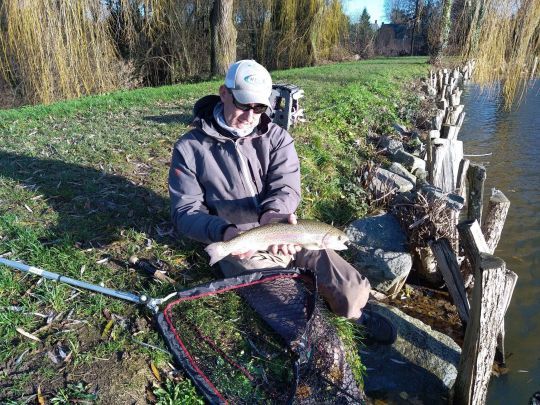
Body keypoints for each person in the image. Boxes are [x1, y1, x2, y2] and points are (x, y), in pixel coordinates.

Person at [168, 60, 396, 345]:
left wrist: (275, 215)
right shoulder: (189, 148)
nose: (251, 116)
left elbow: (286, 186)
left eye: (259, 108)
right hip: (239, 242)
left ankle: (357, 315)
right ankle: (300, 310)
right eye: (244, 105)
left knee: (353, 295)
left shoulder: (277, 138)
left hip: (284, 228)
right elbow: (184, 212)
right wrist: (223, 232)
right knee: (293, 311)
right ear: (224, 93)